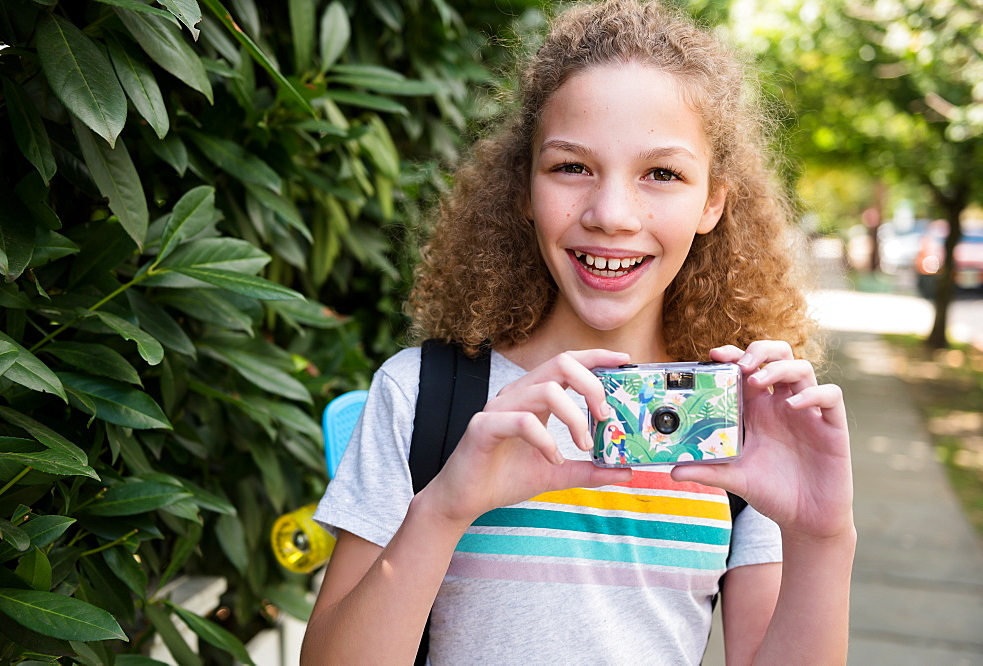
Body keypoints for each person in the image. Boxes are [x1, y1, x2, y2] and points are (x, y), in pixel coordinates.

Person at [301, 0, 856, 663]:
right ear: (525, 187)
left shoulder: (738, 425)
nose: (612, 214)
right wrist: (445, 508)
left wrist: (824, 538)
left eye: (662, 173)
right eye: (571, 166)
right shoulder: (423, 394)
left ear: (713, 200)